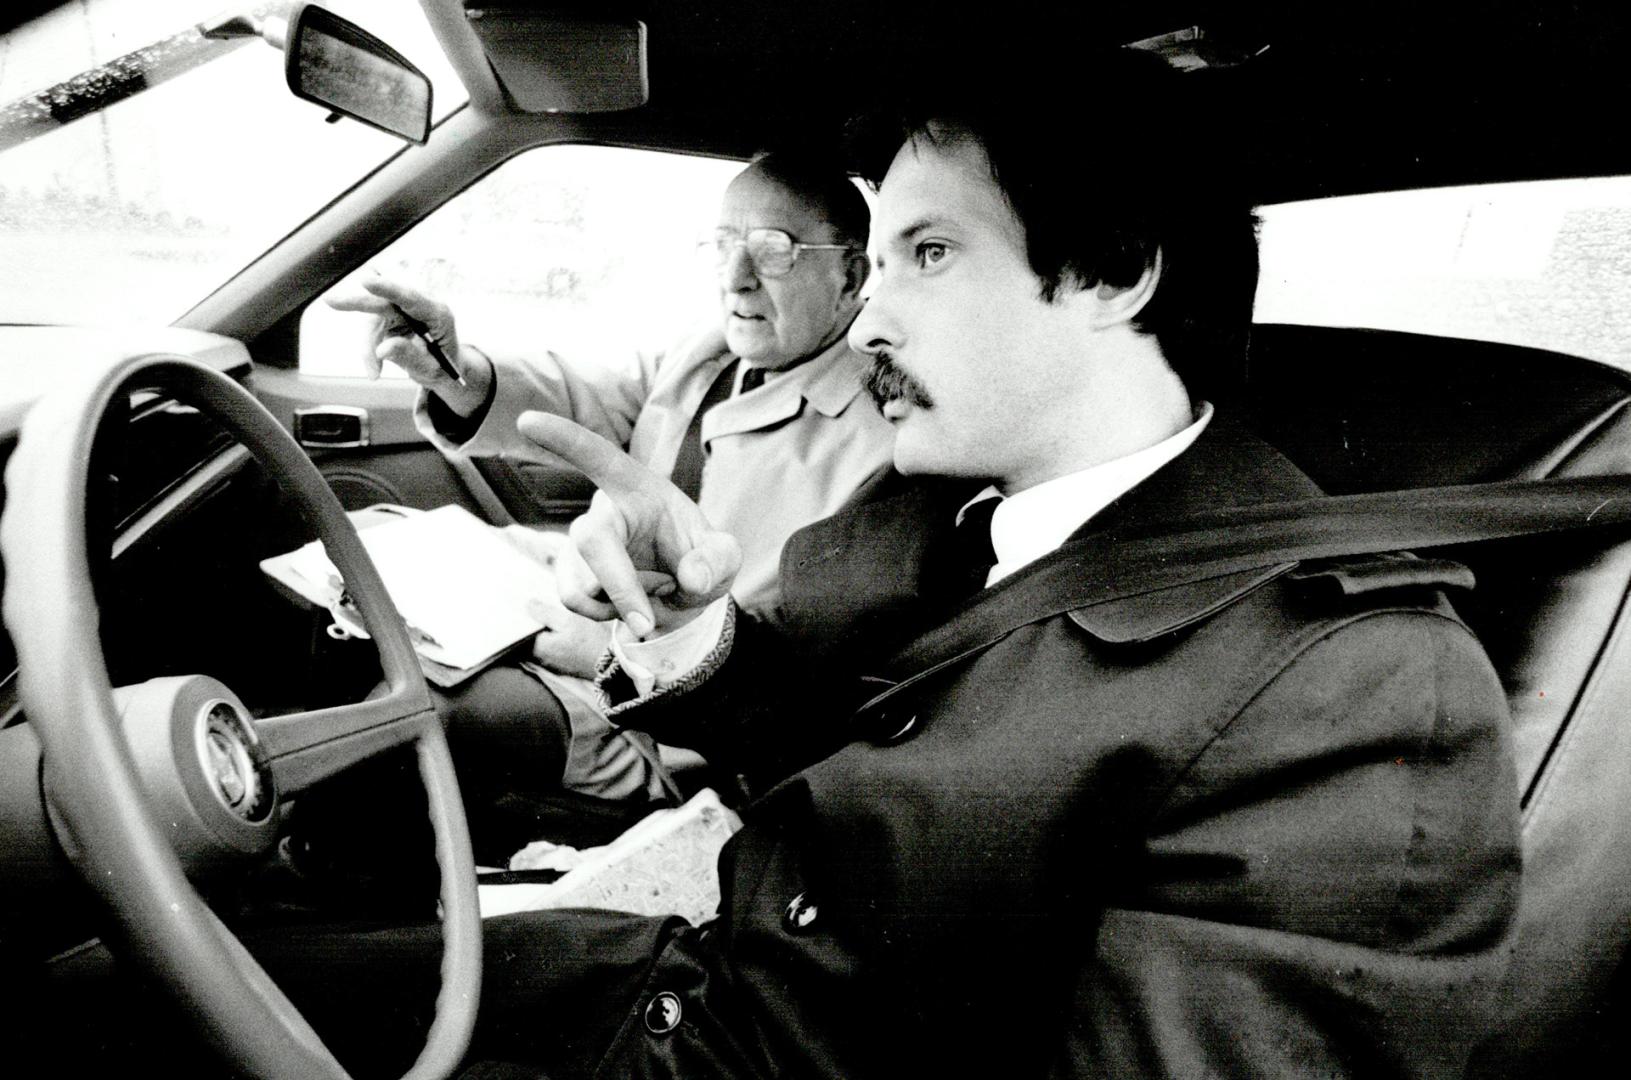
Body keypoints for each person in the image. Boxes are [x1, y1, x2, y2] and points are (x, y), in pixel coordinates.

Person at [253, 47, 1518, 1078]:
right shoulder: (936, 507)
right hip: (685, 988)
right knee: (161, 972)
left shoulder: (1359, 691)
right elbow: (793, 707)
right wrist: (696, 624)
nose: (869, 315)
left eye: (927, 252)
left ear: (1114, 273)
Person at [322, 149, 895, 824]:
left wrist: (582, 643)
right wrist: (452, 369)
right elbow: (586, 393)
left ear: (850, 274)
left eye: (773, 250)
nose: (736, 279)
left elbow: (785, 675)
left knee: (446, 713)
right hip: (577, 602)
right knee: (366, 547)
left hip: (662, 713)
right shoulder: (712, 354)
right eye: (723, 245)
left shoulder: (879, 441)